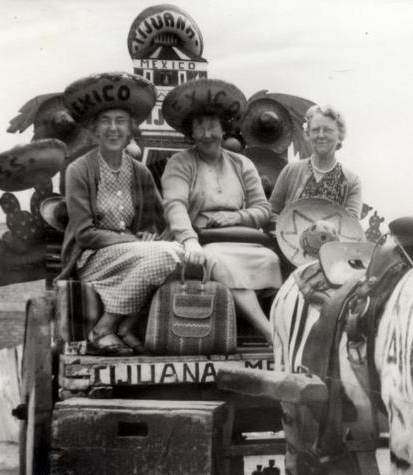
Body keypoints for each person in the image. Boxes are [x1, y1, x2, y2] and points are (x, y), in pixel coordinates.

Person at [57, 72, 186, 356]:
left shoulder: (139, 171)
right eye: (105, 121)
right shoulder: (79, 170)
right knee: (167, 254)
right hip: (91, 258)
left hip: (131, 256)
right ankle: (105, 328)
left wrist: (153, 235)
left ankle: (126, 328)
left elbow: (164, 217)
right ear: (94, 129)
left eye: (120, 122)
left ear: (130, 129)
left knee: (173, 252)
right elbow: (84, 233)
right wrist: (134, 242)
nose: (113, 129)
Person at [160, 79, 278, 342]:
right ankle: (268, 332)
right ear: (191, 133)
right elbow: (174, 204)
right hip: (201, 241)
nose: (206, 134)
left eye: (212, 126)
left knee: (270, 260)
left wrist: (236, 216)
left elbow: (263, 209)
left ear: (223, 129)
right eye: (199, 127)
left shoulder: (242, 163)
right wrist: (190, 241)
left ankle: (239, 326)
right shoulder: (180, 163)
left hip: (243, 240)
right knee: (219, 261)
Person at [269, 104, 363, 221]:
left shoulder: (352, 182)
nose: (321, 135)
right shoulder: (290, 171)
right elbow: (272, 212)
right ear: (307, 134)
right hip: (287, 238)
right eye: (315, 130)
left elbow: (351, 226)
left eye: (328, 130)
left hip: (333, 239)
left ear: (340, 136)